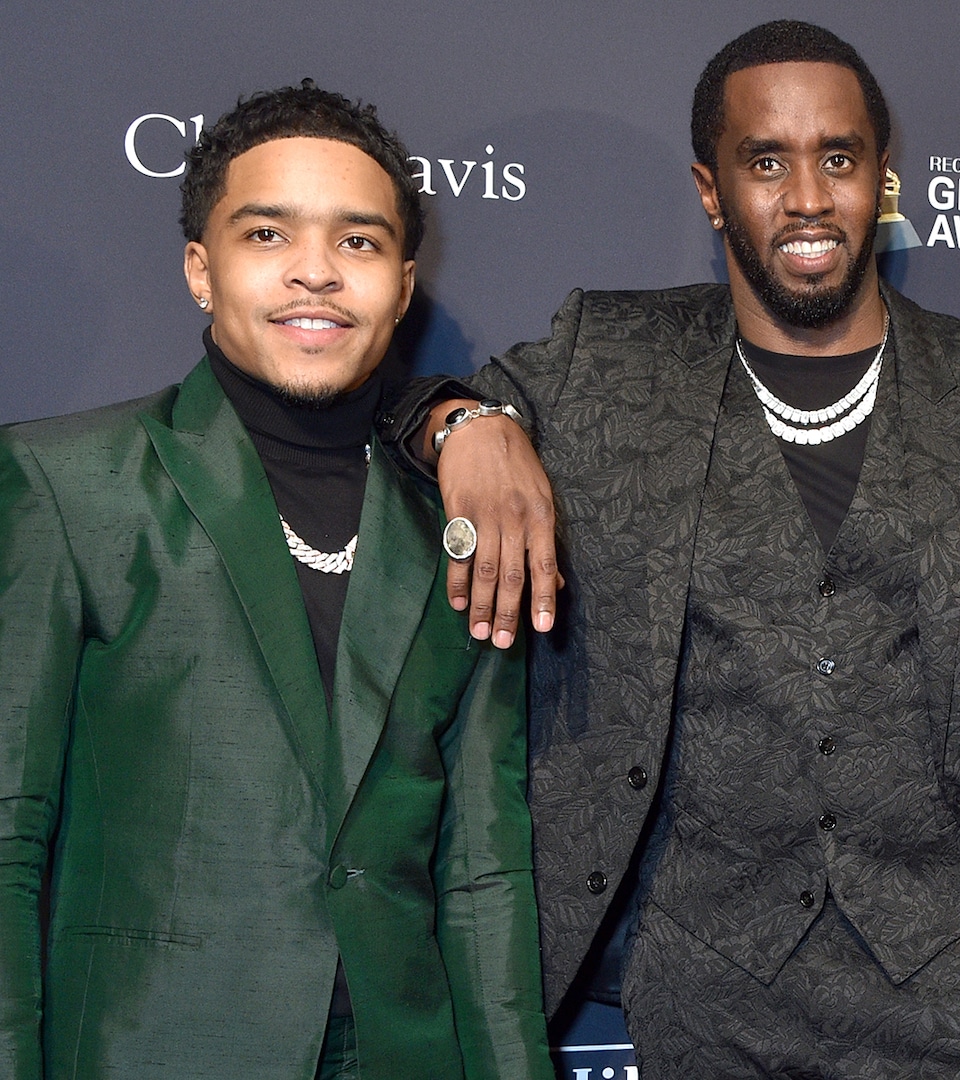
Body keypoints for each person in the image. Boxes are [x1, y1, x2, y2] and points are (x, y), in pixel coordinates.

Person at [389, 20, 960, 1079]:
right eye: (766, 163)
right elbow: (392, 411)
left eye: (838, 159)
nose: (808, 198)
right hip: (700, 1005)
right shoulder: (607, 357)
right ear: (711, 191)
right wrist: (465, 427)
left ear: (881, 179)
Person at [0, 81, 552, 1080]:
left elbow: (483, 875)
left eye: (358, 241)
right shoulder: (68, 482)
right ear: (200, 271)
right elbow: (9, 836)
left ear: (403, 284)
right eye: (267, 234)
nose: (316, 271)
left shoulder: (459, 523)